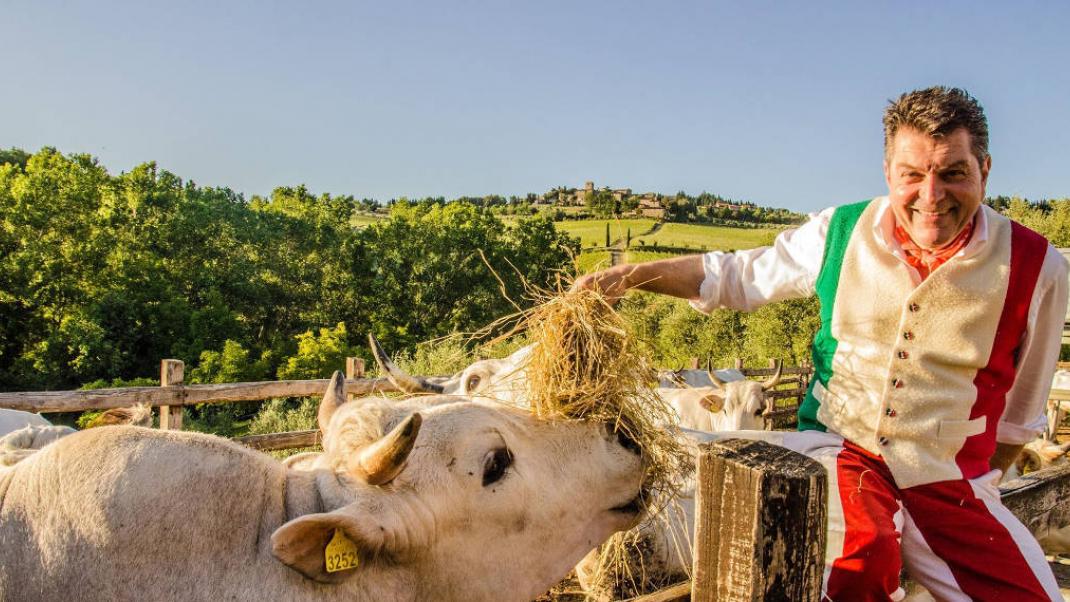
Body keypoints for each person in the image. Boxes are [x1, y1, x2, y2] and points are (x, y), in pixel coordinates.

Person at [573, 86, 1067, 601]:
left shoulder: (1039, 268)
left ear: (984, 169)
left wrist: (964, 480)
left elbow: (1020, 417)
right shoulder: (841, 231)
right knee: (859, 567)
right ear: (888, 172)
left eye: (953, 173)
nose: (930, 195)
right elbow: (736, 276)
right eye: (912, 175)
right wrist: (632, 277)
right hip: (843, 453)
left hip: (952, 480)